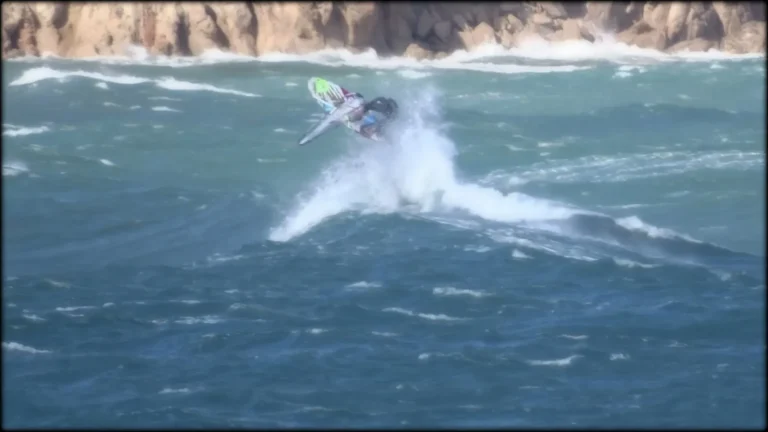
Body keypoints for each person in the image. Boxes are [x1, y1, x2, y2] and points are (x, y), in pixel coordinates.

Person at [319, 86, 398, 139]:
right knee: (366, 117)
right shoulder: (373, 108)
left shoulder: (377, 125)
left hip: (386, 113)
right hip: (379, 111)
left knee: (367, 126)